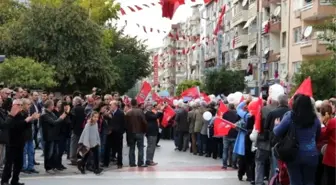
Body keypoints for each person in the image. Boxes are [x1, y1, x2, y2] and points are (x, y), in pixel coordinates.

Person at [273, 94, 321, 185]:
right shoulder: (315, 119)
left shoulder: (290, 116)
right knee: (310, 182)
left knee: (295, 181)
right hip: (312, 154)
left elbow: (277, 132)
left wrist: (276, 124)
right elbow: (318, 135)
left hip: (293, 154)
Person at [1, 99, 39, 185]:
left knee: (19, 163)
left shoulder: (23, 113)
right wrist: (26, 121)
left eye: (21, 105)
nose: (20, 107)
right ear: (14, 105)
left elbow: (25, 127)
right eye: (18, 105)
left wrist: (31, 119)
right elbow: (14, 126)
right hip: (12, 141)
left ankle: (15, 180)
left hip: (20, 141)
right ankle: (4, 180)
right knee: (9, 163)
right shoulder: (12, 115)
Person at [40, 100, 70, 173]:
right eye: (53, 105)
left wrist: (64, 113)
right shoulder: (45, 114)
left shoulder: (51, 113)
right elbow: (54, 122)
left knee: (54, 152)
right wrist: (64, 115)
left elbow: (57, 119)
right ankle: (48, 167)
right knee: (49, 153)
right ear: (50, 106)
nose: (54, 106)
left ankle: (53, 166)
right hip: (49, 136)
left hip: (54, 135)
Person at [125, 99, 147, 167]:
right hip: (140, 132)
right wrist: (145, 130)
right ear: (137, 104)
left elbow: (125, 124)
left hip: (131, 133)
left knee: (132, 148)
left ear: (131, 104)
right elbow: (144, 122)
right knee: (140, 148)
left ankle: (132, 163)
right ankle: (140, 162)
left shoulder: (128, 112)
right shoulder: (140, 111)